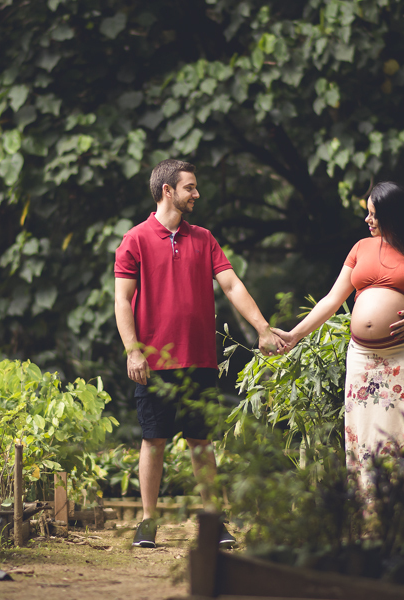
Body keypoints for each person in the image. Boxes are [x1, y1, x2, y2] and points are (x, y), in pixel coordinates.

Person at [114, 159, 285, 548]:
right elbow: (122, 301)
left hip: (200, 358)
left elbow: (232, 286)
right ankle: (147, 522)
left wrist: (262, 328)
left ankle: (213, 521)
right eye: (190, 187)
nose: (197, 194)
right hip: (154, 362)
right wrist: (133, 351)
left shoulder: (204, 238)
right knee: (153, 440)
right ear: (167, 191)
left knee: (201, 442)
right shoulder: (135, 239)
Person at [273, 181, 404, 483]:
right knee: (369, 435)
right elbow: (333, 300)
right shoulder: (360, 248)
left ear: (392, 215)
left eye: (373, 214)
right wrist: (294, 335)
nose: (367, 220)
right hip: (363, 359)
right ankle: (372, 509)